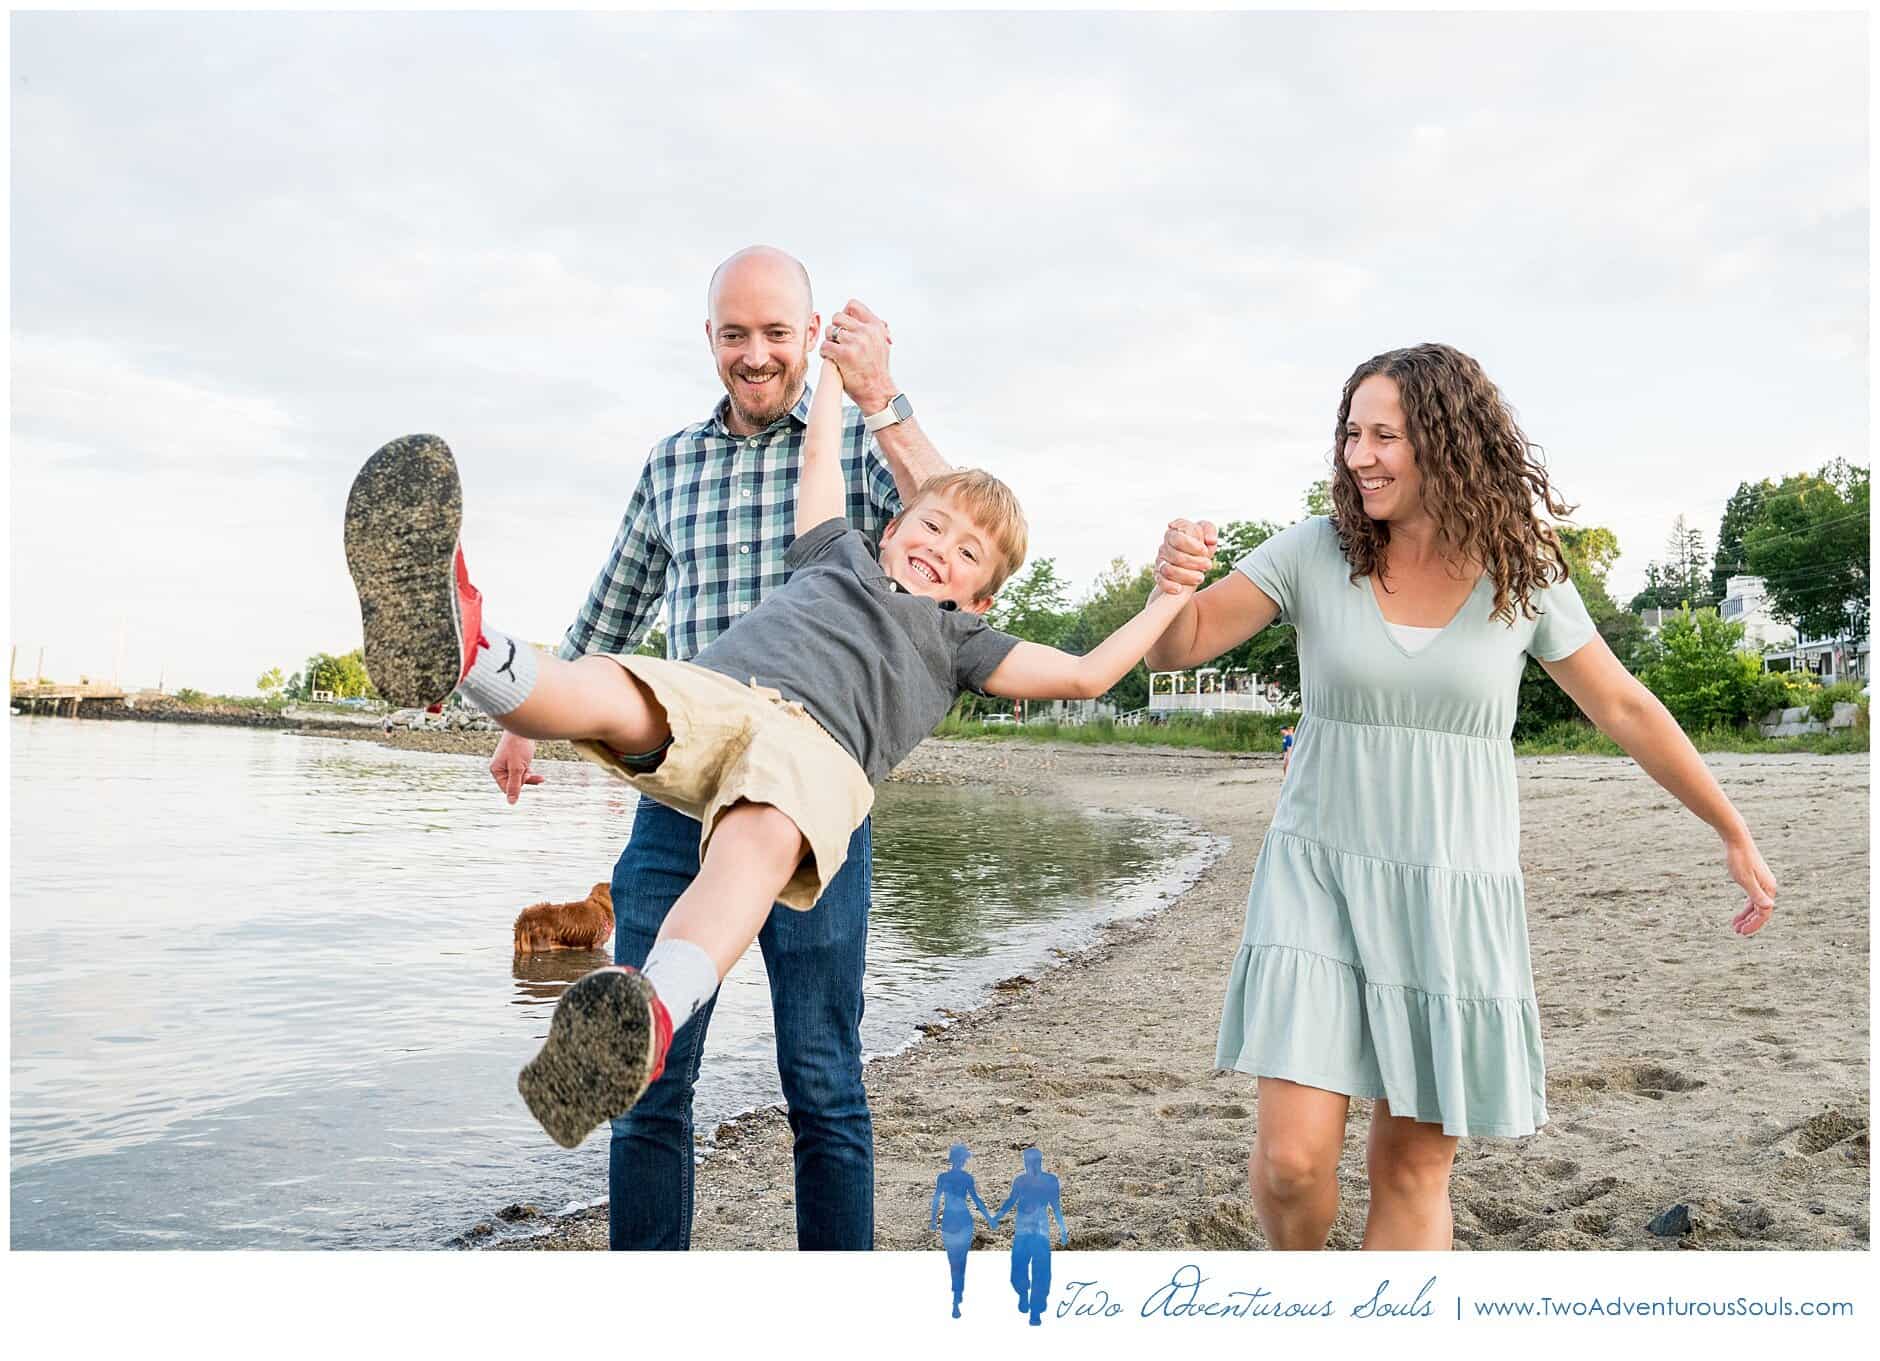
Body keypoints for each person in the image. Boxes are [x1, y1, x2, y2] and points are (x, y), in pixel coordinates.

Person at [342, 361, 1208, 1163]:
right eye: (932, 522)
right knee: (616, 689)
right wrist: (829, 369)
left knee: (749, 858)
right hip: (727, 693)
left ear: (979, 596)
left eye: (968, 552)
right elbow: (821, 456)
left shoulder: (963, 642)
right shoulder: (836, 549)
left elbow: (1090, 671)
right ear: (892, 524)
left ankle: (649, 1009)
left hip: (817, 756)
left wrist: (1167, 598)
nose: (942, 542)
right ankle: (465, 649)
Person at [1146, 342, 1778, 1251]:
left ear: (1448, 441)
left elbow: (1623, 704)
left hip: (1452, 891)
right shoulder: (1316, 552)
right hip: (1316, 877)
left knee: (1409, 1168)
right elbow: (1183, 644)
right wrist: (1172, 585)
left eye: (1385, 435)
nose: (1359, 455)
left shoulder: (1520, 568)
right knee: (1292, 1162)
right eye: (1351, 434)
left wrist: (1731, 826)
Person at [486, 247, 943, 1251]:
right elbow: (613, 605)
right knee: (647, 1073)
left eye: (777, 332)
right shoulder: (671, 464)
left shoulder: (855, 453)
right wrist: (526, 720)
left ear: (808, 335)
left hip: (809, 806)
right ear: (709, 340)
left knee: (821, 1078)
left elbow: (964, 522)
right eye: (734, 333)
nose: (755, 353)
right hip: (680, 796)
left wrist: (882, 396)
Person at [990, 1147, 1067, 1325]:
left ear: (1039, 1162)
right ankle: (1023, 1294)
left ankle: (1036, 1311)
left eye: (1031, 1162)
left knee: (1041, 1273)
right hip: (1023, 1231)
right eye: (1027, 1162)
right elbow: (1011, 1200)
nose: (1029, 1165)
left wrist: (1062, 1228)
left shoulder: (1050, 1181)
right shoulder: (1020, 1181)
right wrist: (998, 1216)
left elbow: (1056, 1206)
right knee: (1018, 1271)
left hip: (1040, 1233)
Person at [930, 1143, 993, 1318]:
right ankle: (957, 1295)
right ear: (963, 1160)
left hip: (950, 1219)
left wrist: (933, 1220)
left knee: (953, 1259)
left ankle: (956, 1295)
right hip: (963, 1219)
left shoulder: (943, 1177)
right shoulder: (966, 1178)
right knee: (961, 1259)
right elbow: (976, 1200)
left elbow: (936, 1200)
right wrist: (989, 1218)